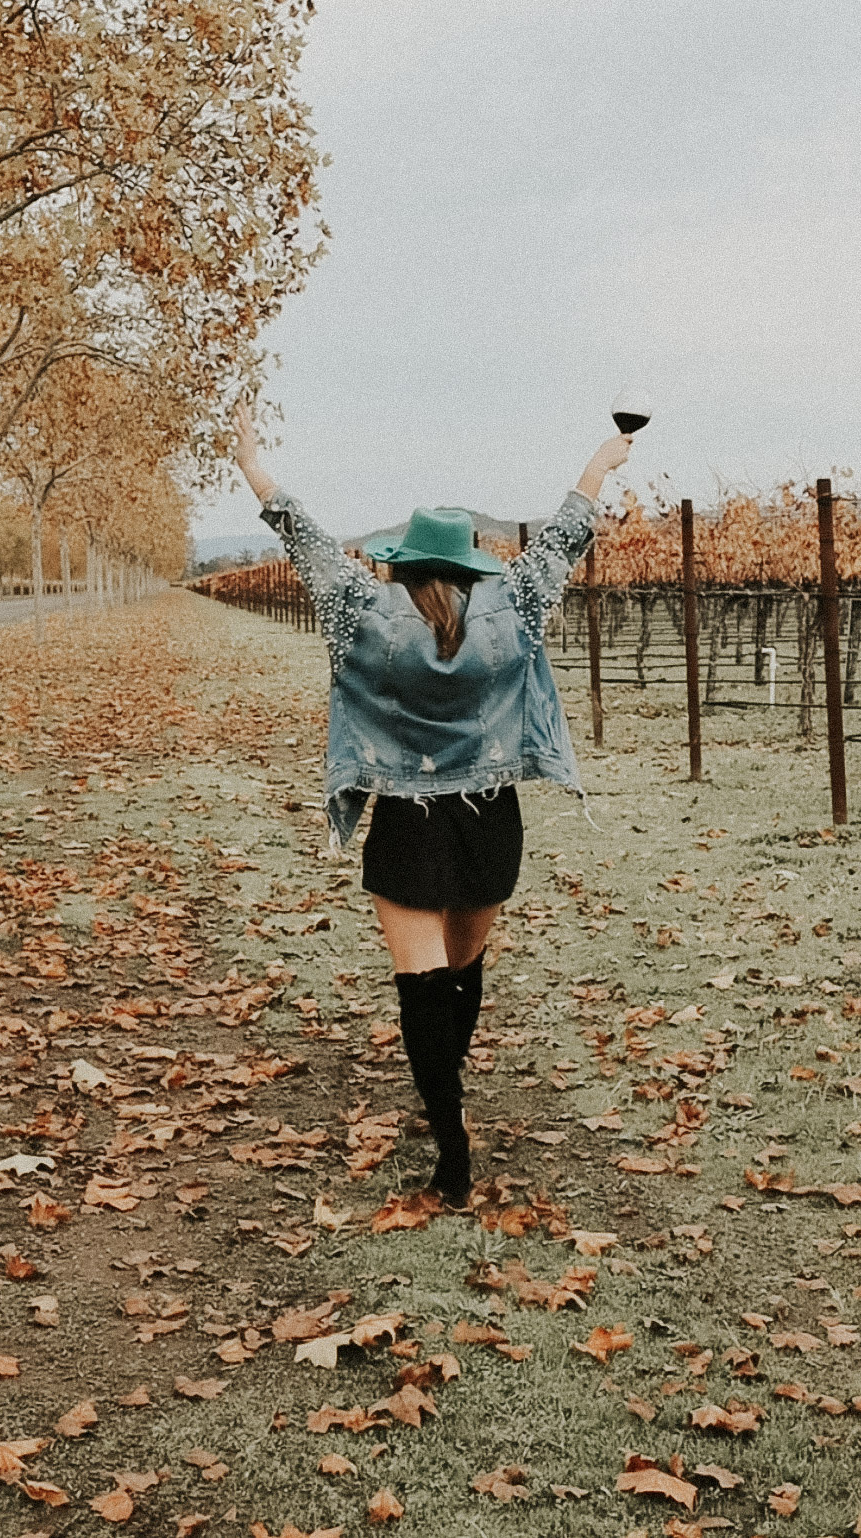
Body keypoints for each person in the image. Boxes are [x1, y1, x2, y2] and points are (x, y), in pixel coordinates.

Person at [233, 399, 632, 1207]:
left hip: (406, 823)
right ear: (467, 567)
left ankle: (451, 1152)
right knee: (462, 967)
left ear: (403, 563)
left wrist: (251, 462)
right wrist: (598, 465)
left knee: (418, 985)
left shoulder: (360, 610)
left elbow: (303, 538)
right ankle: (449, 1101)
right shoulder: (513, 606)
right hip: (491, 818)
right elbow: (563, 537)